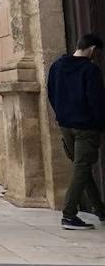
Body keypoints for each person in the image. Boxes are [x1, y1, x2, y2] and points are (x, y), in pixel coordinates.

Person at [46, 33, 105, 231]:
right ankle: (69, 215)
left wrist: (62, 115)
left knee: (82, 168)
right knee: (82, 168)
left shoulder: (57, 66)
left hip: (66, 126)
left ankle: (100, 210)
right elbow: (96, 102)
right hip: (85, 128)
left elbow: (51, 94)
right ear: (93, 49)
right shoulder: (90, 70)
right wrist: (99, 125)